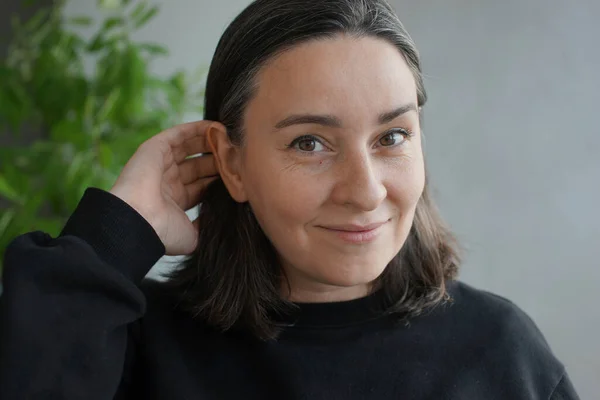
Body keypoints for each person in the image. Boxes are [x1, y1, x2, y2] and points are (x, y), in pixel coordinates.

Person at [0, 0, 580, 399]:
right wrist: (115, 235)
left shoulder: (502, 352)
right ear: (232, 162)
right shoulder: (131, 346)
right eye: (310, 142)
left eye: (392, 137)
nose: (366, 190)